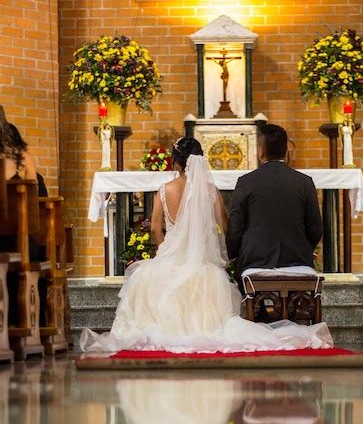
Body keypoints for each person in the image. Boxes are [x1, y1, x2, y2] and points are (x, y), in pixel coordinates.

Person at [80, 137, 332, 353]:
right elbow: (225, 224)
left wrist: (164, 252)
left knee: (145, 279)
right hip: (201, 261)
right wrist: (218, 253)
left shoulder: (164, 189)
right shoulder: (209, 190)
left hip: (171, 257)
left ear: (176, 161)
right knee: (211, 283)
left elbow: (156, 228)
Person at [226, 124, 322, 289]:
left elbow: (235, 228)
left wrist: (233, 255)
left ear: (261, 151)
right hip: (297, 258)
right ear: (286, 151)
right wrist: (301, 248)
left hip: (255, 260)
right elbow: (315, 229)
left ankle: (257, 312)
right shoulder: (304, 182)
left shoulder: (246, 182)